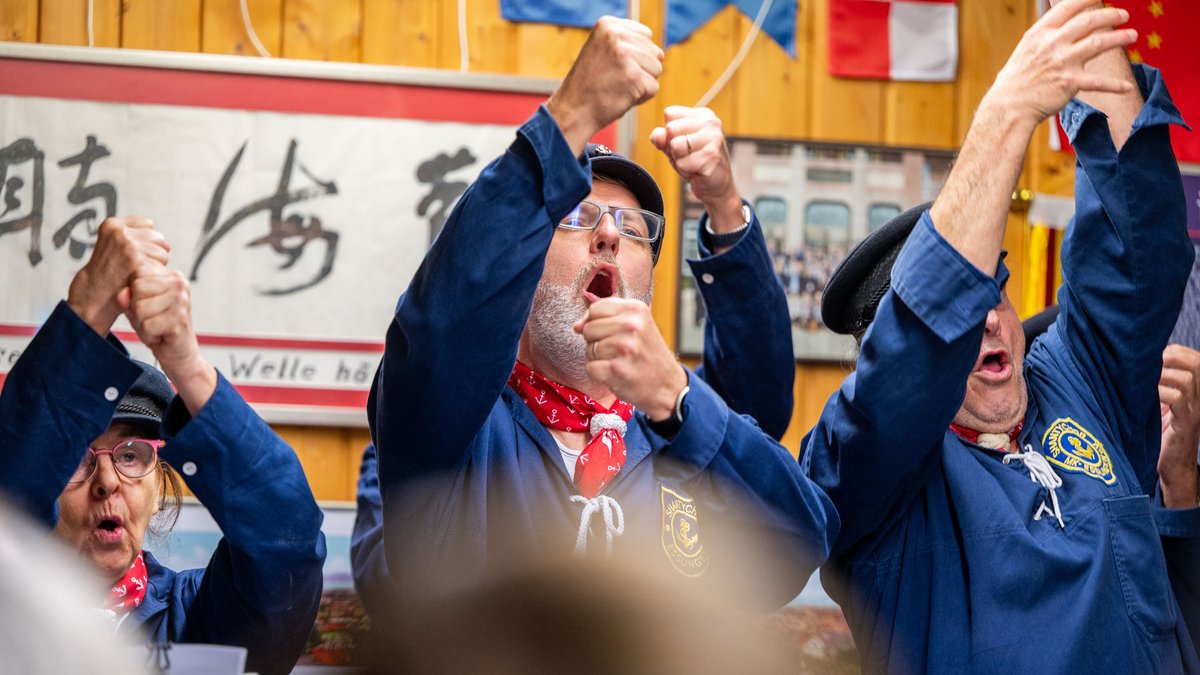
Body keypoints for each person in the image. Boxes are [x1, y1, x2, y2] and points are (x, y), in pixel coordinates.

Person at [364, 16, 835, 610]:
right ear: (522, 268)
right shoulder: (453, 433)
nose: (610, 234)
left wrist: (721, 202)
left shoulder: (678, 439)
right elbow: (442, 328)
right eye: (575, 219)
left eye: (634, 228)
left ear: (650, 285)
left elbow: (797, 537)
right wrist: (570, 117)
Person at [803, 0, 1200, 671]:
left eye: (997, 291)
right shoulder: (867, 468)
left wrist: (1078, 19)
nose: (987, 315)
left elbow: (1138, 244)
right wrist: (1007, 111)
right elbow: (912, 354)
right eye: (963, 302)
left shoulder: (1072, 379)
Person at [0, 217, 326, 675]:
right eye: (76, 457)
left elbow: (288, 536)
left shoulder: (199, 614)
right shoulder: (9, 616)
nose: (107, 482)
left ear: (159, 489)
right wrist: (87, 310)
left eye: (131, 455)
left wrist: (186, 362)